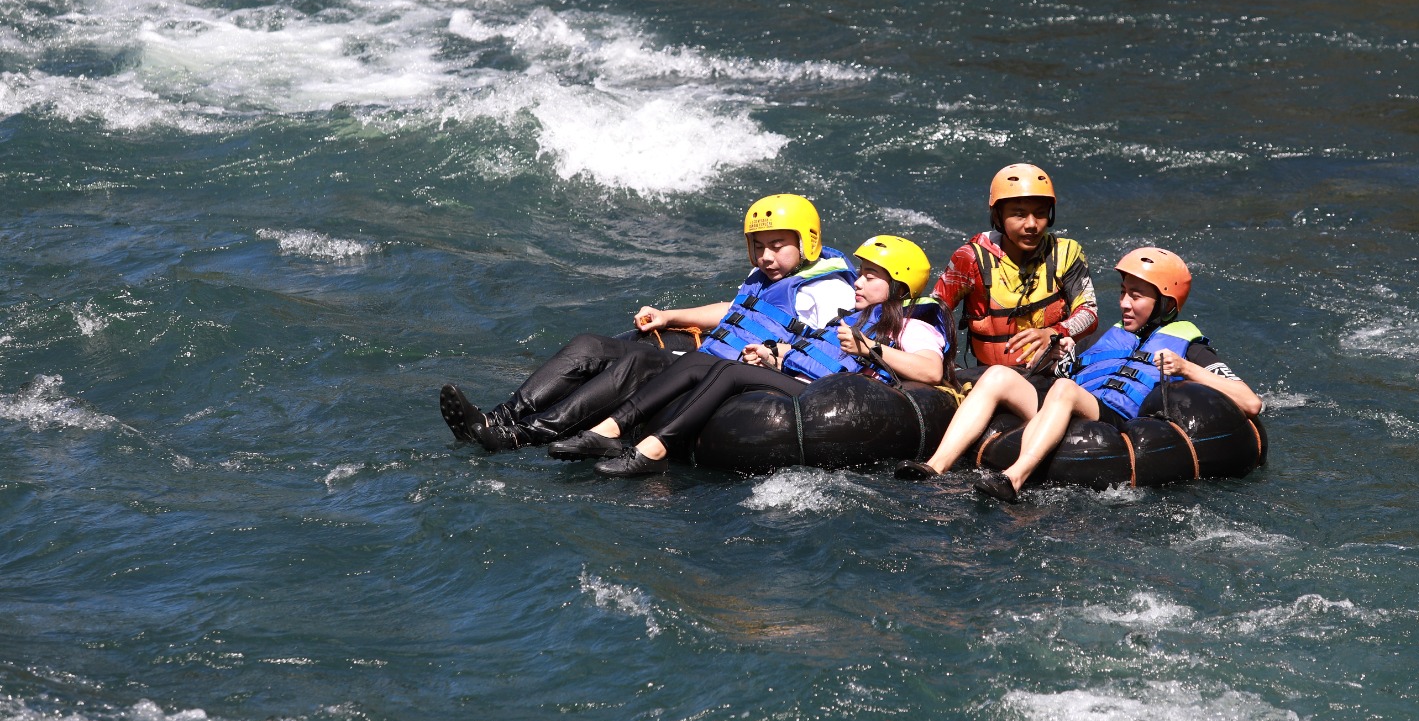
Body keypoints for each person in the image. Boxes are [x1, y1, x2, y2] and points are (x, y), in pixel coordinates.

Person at [438, 194, 856, 452]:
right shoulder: (769, 277)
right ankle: (497, 419)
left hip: (734, 382)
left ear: (807, 242)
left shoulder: (826, 290)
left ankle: (523, 436)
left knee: (637, 364)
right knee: (591, 345)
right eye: (758, 246)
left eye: (778, 246)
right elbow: (737, 313)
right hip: (706, 361)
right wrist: (670, 316)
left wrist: (772, 359)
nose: (766, 257)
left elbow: (824, 353)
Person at [904, 246, 1262, 499]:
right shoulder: (1116, 337)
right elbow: (1074, 375)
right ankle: (935, 466)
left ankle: (1013, 479)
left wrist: (1187, 369)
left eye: (1136, 296)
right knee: (998, 375)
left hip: (1112, 420)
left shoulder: (1190, 345)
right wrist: (1060, 356)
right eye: (1123, 293)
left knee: (1064, 391)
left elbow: (1251, 402)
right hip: (1072, 403)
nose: (1123, 303)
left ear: (1166, 303)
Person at [589, 235, 954, 477]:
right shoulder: (856, 316)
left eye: (871, 277)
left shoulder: (910, 325)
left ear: (899, 285)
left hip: (824, 401)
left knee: (728, 372)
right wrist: (772, 355)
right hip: (800, 382)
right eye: (860, 273)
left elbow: (931, 370)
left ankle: (654, 449)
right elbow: (816, 351)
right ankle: (612, 428)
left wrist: (871, 349)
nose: (858, 283)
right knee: (702, 361)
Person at [931, 163, 1098, 372]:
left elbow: (1088, 312)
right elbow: (932, 312)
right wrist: (945, 365)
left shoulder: (1067, 253)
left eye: (1040, 213)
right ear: (998, 216)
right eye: (1019, 214)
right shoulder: (970, 259)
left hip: (1049, 370)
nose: (1031, 224)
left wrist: (1054, 332)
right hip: (989, 375)